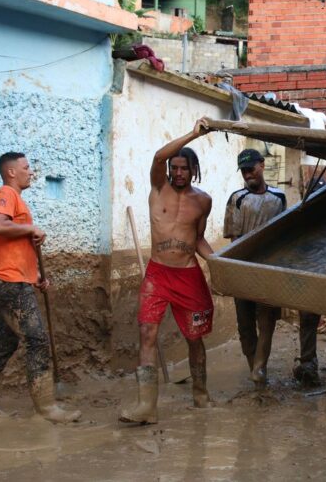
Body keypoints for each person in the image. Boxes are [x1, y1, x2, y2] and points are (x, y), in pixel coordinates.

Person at [120, 118, 216, 425]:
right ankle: (146, 406)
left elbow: (198, 239)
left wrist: (218, 263)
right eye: (174, 167)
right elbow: (158, 158)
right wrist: (193, 134)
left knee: (194, 338)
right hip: (157, 275)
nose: (177, 172)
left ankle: (201, 395)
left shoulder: (203, 201)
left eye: (183, 168)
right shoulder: (158, 188)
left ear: (193, 170)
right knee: (146, 333)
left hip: (188, 277)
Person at [0, 152, 81, 423]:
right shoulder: (6, 193)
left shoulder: (18, 200)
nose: (30, 172)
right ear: (11, 172)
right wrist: (30, 228)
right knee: (36, 338)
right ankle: (45, 409)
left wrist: (37, 275)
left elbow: (15, 247)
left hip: (13, 278)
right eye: (26, 167)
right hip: (9, 281)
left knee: (4, 343)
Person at [223, 148, 286, 389]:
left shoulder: (279, 198)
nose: (248, 174)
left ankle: (259, 368)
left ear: (262, 165)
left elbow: (283, 234)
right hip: (242, 268)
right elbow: (234, 239)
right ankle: (256, 371)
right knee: (245, 326)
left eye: (251, 168)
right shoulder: (237, 199)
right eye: (243, 170)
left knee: (267, 320)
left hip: (270, 270)